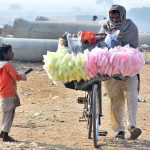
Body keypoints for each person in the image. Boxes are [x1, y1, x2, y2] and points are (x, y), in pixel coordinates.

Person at [99, 4, 142, 140]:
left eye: (117, 14)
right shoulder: (106, 25)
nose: (114, 17)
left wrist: (123, 52)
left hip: (129, 69)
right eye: (112, 14)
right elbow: (100, 42)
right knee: (116, 99)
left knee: (132, 96)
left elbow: (135, 46)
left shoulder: (131, 27)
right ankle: (120, 131)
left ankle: (133, 127)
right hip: (112, 69)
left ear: (122, 14)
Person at [0, 44, 27, 142]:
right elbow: (16, 76)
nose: (13, 53)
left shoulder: (1, 65)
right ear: (5, 54)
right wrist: (23, 76)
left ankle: (3, 133)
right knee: (9, 114)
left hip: (3, 94)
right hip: (9, 94)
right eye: (10, 51)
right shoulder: (8, 66)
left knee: (6, 113)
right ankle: (6, 135)